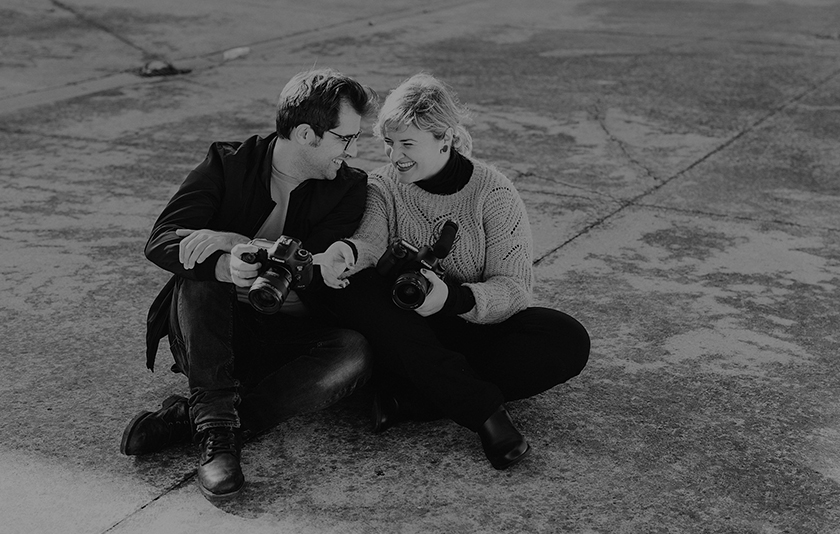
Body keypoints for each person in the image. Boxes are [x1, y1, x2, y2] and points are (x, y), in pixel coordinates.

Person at [120, 68, 379, 500]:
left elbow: (312, 269)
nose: (352, 150)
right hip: (208, 333)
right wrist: (224, 264)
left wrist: (239, 242)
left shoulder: (347, 188)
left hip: (283, 338)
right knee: (202, 273)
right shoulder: (227, 164)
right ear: (306, 134)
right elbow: (162, 239)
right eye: (345, 138)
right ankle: (217, 439)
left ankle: (200, 421)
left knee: (353, 352)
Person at [313, 73, 590, 470]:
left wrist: (453, 298)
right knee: (356, 287)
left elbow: (514, 289)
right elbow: (369, 243)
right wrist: (346, 253)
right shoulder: (382, 186)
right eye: (389, 143)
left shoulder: (493, 193)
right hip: (404, 330)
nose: (394, 155)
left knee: (565, 338)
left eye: (407, 144)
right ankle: (484, 412)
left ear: (444, 138)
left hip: (465, 325)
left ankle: (413, 400)